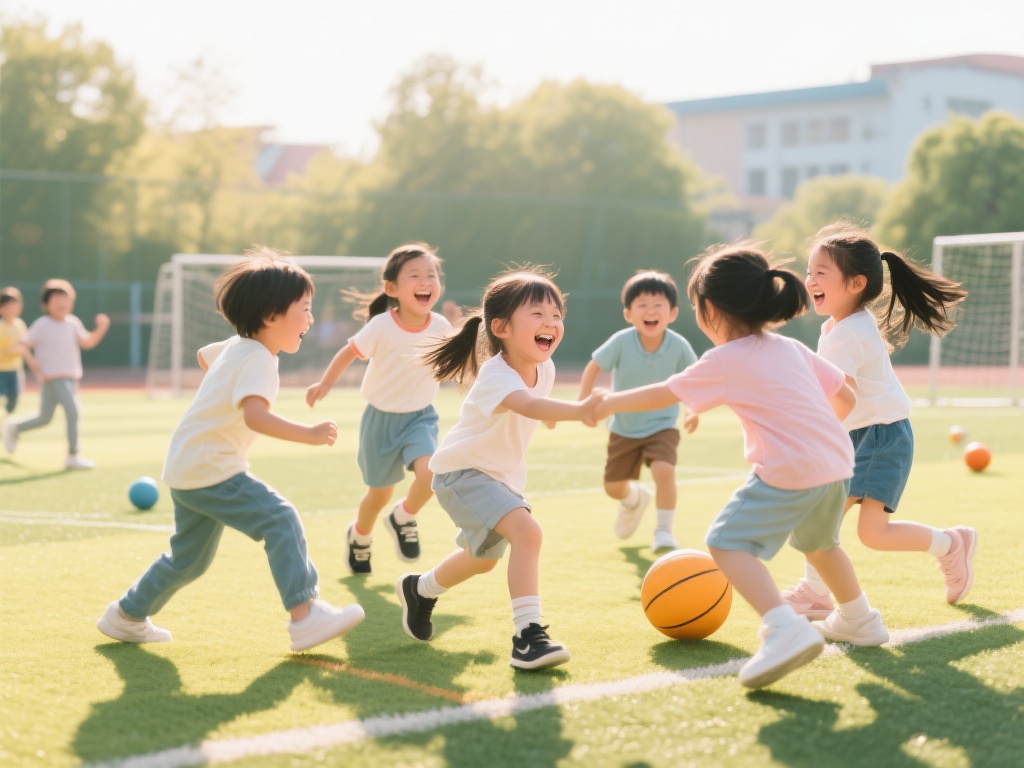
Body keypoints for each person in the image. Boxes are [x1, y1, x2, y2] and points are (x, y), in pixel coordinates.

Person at [597, 244, 889, 688]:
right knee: (821, 545)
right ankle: (860, 619)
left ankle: (783, 628)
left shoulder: (725, 358)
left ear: (708, 309)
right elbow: (846, 398)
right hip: (835, 463)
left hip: (790, 469)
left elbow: (663, 393)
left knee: (725, 542)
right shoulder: (790, 347)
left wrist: (604, 403)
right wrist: (815, 438)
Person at [97, 248, 364, 652]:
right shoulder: (259, 359)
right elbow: (256, 416)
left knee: (188, 560)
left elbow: (205, 357)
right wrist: (308, 433)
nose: (311, 319)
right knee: (280, 518)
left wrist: (220, 392)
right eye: (305, 309)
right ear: (271, 316)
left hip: (187, 467)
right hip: (212, 467)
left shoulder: (239, 346)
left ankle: (127, 614)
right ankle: (305, 616)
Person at [396, 267, 604, 670]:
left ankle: (420, 590)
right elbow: (526, 405)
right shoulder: (496, 374)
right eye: (538, 315)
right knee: (528, 532)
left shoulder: (545, 369)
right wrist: (578, 410)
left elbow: (536, 406)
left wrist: (556, 414)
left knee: (482, 559)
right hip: (462, 473)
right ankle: (528, 637)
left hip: (498, 478)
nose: (551, 323)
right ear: (501, 328)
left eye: (556, 315)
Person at [784, 223, 973, 618]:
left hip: (878, 437)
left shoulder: (845, 334)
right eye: (809, 271)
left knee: (853, 527)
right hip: (870, 434)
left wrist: (812, 436)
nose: (810, 279)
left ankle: (950, 546)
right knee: (848, 526)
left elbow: (843, 397)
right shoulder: (840, 326)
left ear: (856, 283)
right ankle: (817, 593)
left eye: (821, 272)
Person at [306, 243, 453, 576]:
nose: (425, 281)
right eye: (414, 275)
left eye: (431, 275)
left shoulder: (441, 325)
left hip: (420, 418)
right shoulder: (382, 326)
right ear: (392, 289)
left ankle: (404, 516)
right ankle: (360, 536)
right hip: (380, 422)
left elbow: (453, 363)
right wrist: (325, 384)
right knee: (378, 495)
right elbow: (348, 352)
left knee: (431, 475)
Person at [577, 270, 699, 551]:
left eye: (658, 305)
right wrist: (582, 400)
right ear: (628, 314)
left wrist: (693, 410)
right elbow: (595, 365)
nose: (650, 311)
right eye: (642, 305)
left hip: (662, 424)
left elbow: (694, 379)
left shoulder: (679, 346)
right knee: (613, 487)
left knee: (664, 470)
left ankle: (664, 531)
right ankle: (634, 499)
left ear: (673, 313)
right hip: (624, 427)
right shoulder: (621, 341)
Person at [1, 279, 108, 468]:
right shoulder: (42, 324)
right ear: (46, 304)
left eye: (66, 299)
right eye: (57, 299)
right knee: (73, 410)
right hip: (53, 378)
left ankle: (14, 426)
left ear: (71, 303)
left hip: (70, 377)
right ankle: (73, 455)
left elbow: (87, 342)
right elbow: (24, 347)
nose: (62, 303)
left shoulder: (73, 323)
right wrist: (37, 370)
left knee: (44, 418)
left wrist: (100, 329)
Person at [0, 287, 37, 420]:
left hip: (15, 371)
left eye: (16, 305)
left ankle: (4, 424)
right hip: (0, 371)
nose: (13, 309)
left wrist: (34, 366)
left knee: (13, 400)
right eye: (9, 306)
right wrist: (12, 350)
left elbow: (24, 348)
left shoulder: (20, 325)